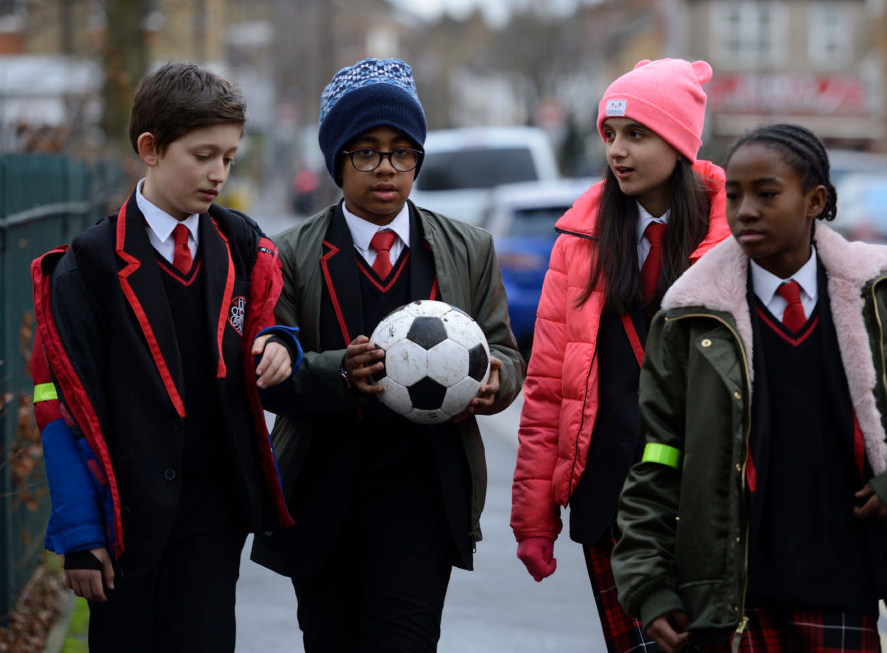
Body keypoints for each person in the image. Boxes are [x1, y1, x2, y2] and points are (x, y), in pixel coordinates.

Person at [611, 123, 887, 653]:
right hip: (726, 603)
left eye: (766, 194)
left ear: (815, 200)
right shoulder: (688, 320)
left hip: (843, 593)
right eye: (734, 195)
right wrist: (649, 584)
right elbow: (657, 457)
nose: (745, 210)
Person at [249, 57, 525, 653]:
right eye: (366, 152)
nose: (386, 169)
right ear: (336, 161)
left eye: (402, 152)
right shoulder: (288, 253)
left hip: (421, 497)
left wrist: (494, 382)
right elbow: (268, 375)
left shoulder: (468, 248)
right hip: (321, 498)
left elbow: (504, 349)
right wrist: (338, 373)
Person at [29, 62, 297, 652]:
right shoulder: (89, 265)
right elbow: (60, 407)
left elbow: (271, 321)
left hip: (214, 513)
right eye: (203, 155)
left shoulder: (241, 243)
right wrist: (80, 531)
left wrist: (280, 344)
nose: (218, 174)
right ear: (150, 148)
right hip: (125, 518)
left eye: (228, 158)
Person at [509, 58, 731, 652]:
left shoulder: (734, 236)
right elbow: (548, 386)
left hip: (711, 503)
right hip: (610, 503)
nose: (618, 151)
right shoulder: (579, 242)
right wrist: (534, 519)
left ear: (679, 140)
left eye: (637, 133)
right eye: (610, 135)